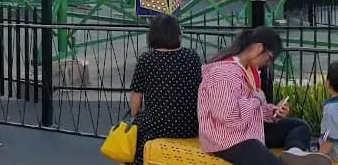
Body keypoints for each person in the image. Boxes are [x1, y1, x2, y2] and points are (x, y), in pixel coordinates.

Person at [198, 26, 331, 165]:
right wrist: (257, 99)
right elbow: (229, 117)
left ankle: (293, 153)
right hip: (227, 139)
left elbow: (251, 108)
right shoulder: (224, 73)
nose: (267, 64)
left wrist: (273, 112)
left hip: (249, 129)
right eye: (269, 58)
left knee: (299, 126)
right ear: (258, 48)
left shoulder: (248, 70)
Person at [129, 15, 201, 165]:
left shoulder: (146, 60)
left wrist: (135, 115)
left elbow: (137, 95)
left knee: (135, 143)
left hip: (156, 125)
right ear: (177, 34)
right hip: (190, 123)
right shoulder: (192, 57)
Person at [318, 61, 338, 161]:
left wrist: (318, 157)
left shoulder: (330, 110)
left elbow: (329, 138)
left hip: (333, 154)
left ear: (327, 83)